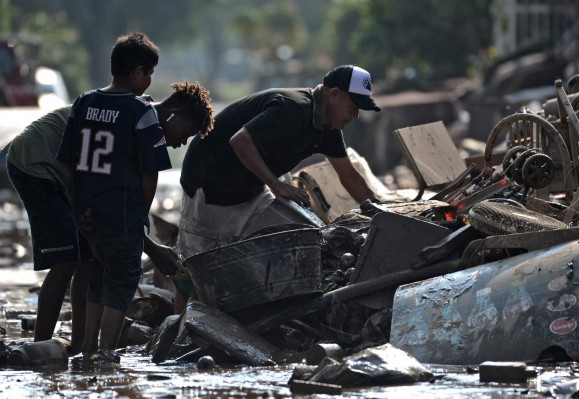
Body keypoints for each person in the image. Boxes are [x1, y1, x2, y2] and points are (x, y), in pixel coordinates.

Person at [3, 78, 212, 356]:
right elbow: (118, 205)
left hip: (73, 175)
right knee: (66, 260)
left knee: (88, 258)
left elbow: (124, 205)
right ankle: (38, 348)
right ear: (174, 115)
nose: (182, 143)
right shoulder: (136, 118)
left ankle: (79, 345)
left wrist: (149, 245)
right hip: (39, 162)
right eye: (187, 133)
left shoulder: (142, 120)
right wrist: (152, 248)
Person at [56, 32, 212, 363]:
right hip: (122, 212)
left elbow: (65, 162)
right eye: (150, 73)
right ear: (138, 72)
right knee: (123, 281)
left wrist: (79, 201)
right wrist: (140, 213)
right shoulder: (140, 112)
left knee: (97, 276)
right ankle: (108, 351)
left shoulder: (84, 102)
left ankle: (87, 348)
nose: (151, 81)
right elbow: (150, 173)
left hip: (86, 212)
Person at [178, 64, 381, 257]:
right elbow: (240, 141)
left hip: (251, 186)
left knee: (292, 241)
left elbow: (349, 176)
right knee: (201, 261)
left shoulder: (329, 129)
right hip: (210, 180)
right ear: (334, 94)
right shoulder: (292, 108)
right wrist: (276, 185)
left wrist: (382, 212)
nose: (356, 115)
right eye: (353, 107)